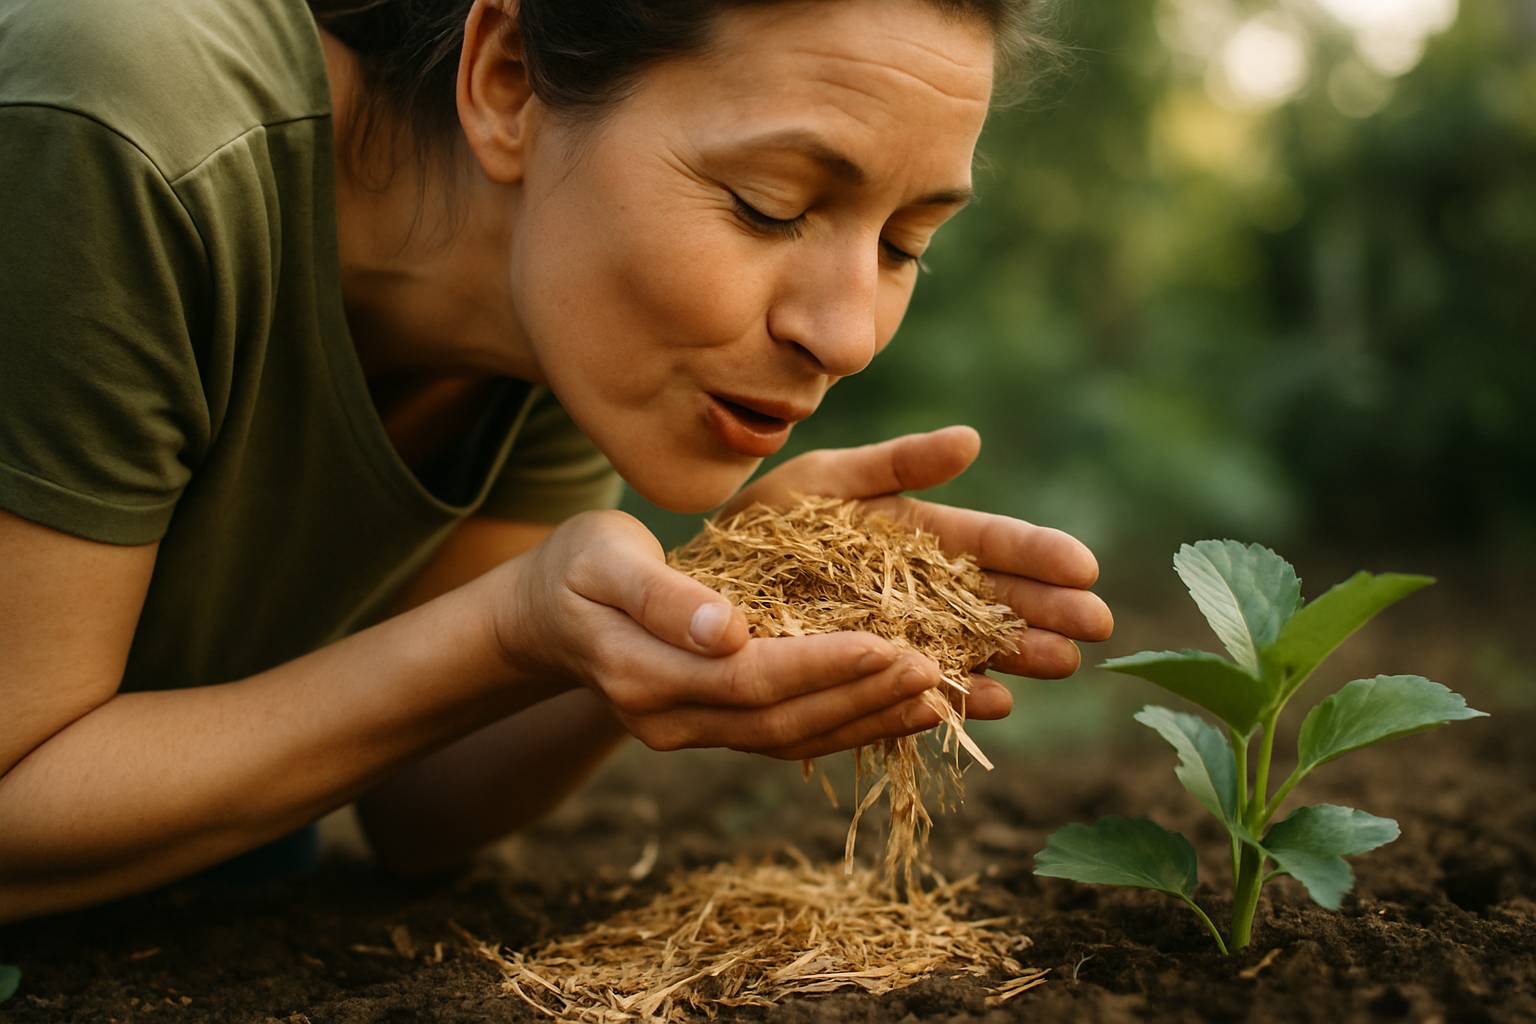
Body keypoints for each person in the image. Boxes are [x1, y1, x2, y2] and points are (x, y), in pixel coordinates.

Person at [0, 0, 1113, 923]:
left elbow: (418, 804)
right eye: (767, 206)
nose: (848, 332)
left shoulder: (563, 314)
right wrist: (508, 625)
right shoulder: (124, 135)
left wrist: (684, 613)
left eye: (903, 242)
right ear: (508, 78)